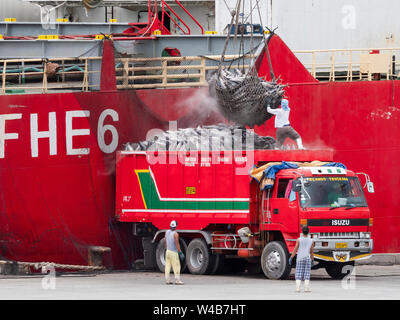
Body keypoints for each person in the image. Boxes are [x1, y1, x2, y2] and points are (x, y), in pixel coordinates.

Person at [289, 226, 314, 292]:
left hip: (300, 258)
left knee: (298, 273)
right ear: (308, 232)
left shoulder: (299, 240)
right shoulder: (311, 241)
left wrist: (291, 257)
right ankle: (306, 288)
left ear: (302, 232)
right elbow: (311, 251)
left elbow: (295, 250)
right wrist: (312, 259)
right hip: (307, 258)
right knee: (307, 273)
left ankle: (298, 288)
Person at [165, 220, 185, 285]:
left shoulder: (167, 232)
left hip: (168, 251)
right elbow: (177, 243)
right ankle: (177, 280)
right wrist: (180, 252)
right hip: (173, 252)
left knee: (168, 266)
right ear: (176, 226)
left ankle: (167, 280)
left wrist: (166, 249)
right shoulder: (176, 234)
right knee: (176, 265)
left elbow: (165, 241)